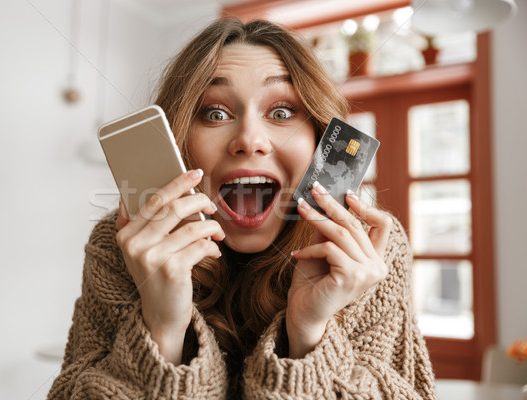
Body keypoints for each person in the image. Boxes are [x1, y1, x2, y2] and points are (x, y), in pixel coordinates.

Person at [47, 18, 437, 400]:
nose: (250, 140)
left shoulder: (370, 249)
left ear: (320, 137)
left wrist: (308, 336)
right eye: (215, 113)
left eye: (282, 112)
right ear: (178, 140)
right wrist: (163, 330)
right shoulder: (122, 249)